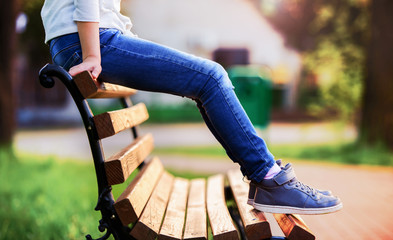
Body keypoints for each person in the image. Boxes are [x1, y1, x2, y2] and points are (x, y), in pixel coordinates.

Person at [41, 0, 342, 215]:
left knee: (207, 80)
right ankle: (269, 178)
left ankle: (266, 177)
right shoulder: (88, 40)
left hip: (82, 39)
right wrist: (93, 53)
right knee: (212, 77)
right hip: (86, 40)